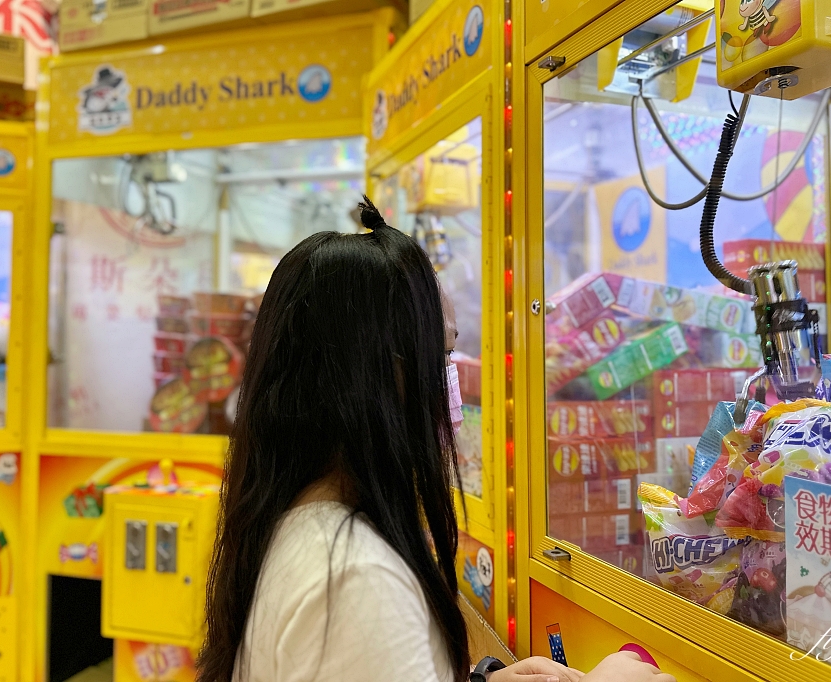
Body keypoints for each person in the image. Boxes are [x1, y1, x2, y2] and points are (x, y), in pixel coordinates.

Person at [197, 198, 675, 682]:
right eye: (443, 352)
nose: (453, 380)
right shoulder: (356, 577)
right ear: (381, 372)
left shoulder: (303, 521)